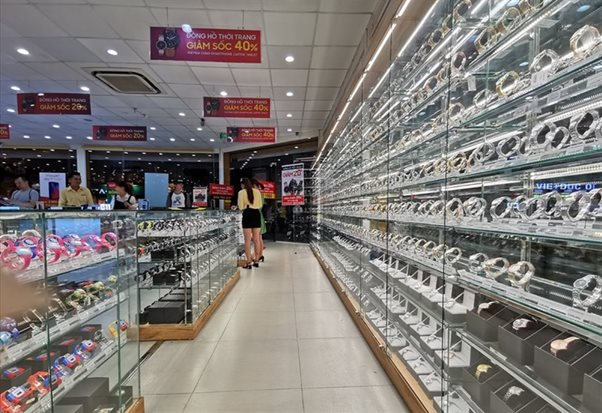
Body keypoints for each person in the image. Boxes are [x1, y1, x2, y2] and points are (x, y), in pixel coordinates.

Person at [237, 178, 263, 269]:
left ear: (243, 184)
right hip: (256, 214)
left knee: (247, 240)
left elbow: (240, 206)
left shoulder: (241, 192)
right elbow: (260, 205)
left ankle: (248, 262)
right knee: (256, 239)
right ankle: (256, 260)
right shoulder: (257, 192)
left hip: (247, 214)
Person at [251, 179, 266, 262]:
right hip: (258, 216)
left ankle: (258, 256)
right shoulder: (260, 194)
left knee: (257, 238)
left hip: (256, 217)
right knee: (259, 238)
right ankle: (260, 255)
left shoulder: (258, 194)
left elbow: (257, 207)